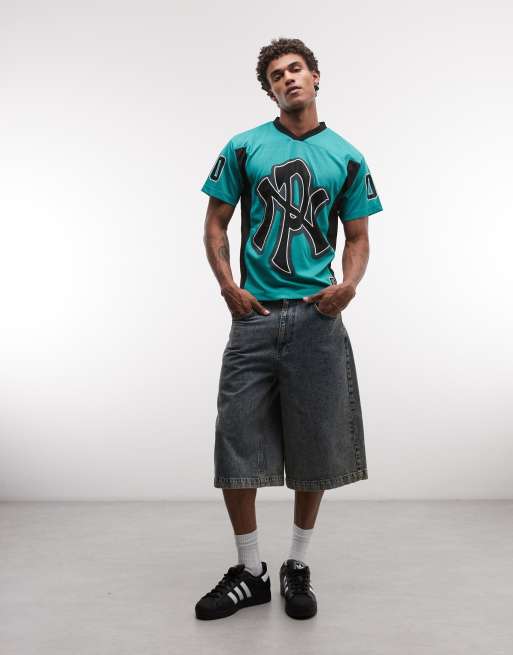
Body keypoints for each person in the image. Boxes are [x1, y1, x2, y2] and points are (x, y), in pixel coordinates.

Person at [195, 37, 383, 621]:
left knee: (316, 443)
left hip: (316, 318)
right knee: (237, 441)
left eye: (296, 69)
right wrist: (228, 286)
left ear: (316, 76)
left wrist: (348, 286)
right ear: (270, 90)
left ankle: (296, 563)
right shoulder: (243, 147)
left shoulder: (347, 156)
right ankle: (250, 570)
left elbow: (358, 237)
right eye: (276, 75)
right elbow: (216, 223)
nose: (288, 79)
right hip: (254, 318)